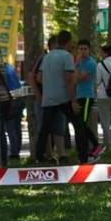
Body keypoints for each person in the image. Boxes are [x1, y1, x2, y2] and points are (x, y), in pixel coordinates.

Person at [32, 32, 76, 162]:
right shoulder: (53, 57)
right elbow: (35, 77)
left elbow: (39, 77)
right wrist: (39, 95)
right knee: (51, 127)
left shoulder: (48, 58)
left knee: (51, 127)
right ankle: (47, 155)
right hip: (58, 97)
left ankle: (52, 155)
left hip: (49, 98)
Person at [71, 39, 100, 159]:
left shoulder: (90, 63)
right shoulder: (78, 63)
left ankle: (95, 146)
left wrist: (76, 66)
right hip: (78, 96)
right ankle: (87, 149)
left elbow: (78, 78)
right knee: (79, 124)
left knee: (81, 123)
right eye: (80, 49)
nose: (82, 51)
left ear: (89, 50)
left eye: (85, 49)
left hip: (87, 96)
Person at [0, 55, 25, 165]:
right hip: (16, 100)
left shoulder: (0, 70)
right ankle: (15, 151)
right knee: (14, 128)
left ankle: (10, 154)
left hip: (8, 101)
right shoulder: (9, 68)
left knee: (8, 129)